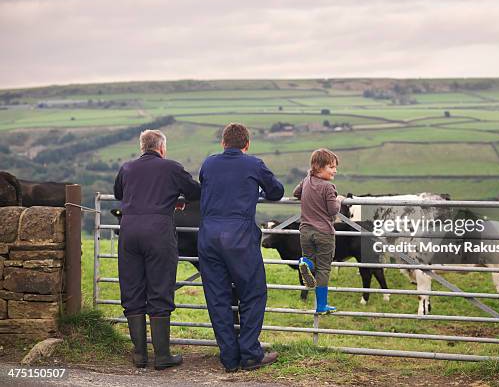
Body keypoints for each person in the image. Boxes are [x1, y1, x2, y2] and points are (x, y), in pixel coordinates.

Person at [198, 123, 284, 372]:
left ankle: (228, 358)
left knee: (217, 298)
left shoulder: (208, 163)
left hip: (208, 237)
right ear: (247, 145)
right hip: (240, 238)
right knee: (253, 294)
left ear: (223, 143)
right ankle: (249, 353)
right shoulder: (253, 164)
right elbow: (276, 191)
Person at [114, 129, 200, 370]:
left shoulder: (127, 168)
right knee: (160, 288)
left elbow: (119, 194)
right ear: (162, 148)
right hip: (158, 231)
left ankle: (139, 355)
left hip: (129, 231)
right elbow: (195, 192)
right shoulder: (171, 168)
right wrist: (175, 198)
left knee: (132, 290)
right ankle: (162, 356)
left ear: (142, 147)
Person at [293, 148, 343, 314]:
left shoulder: (307, 180)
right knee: (323, 269)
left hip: (305, 231)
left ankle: (305, 263)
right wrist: (339, 200)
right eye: (331, 167)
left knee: (309, 258)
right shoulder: (328, 187)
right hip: (324, 234)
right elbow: (333, 210)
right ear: (318, 167)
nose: (335, 170)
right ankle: (321, 305)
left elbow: (296, 193)